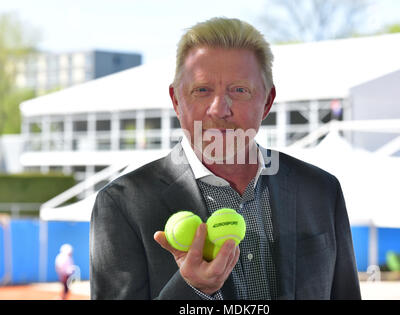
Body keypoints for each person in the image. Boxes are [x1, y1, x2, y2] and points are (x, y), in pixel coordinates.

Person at [89, 17, 361, 300]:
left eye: (239, 90)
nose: (220, 110)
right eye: (202, 90)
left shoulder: (321, 190)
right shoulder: (122, 205)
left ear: (267, 101)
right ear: (176, 101)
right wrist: (193, 289)